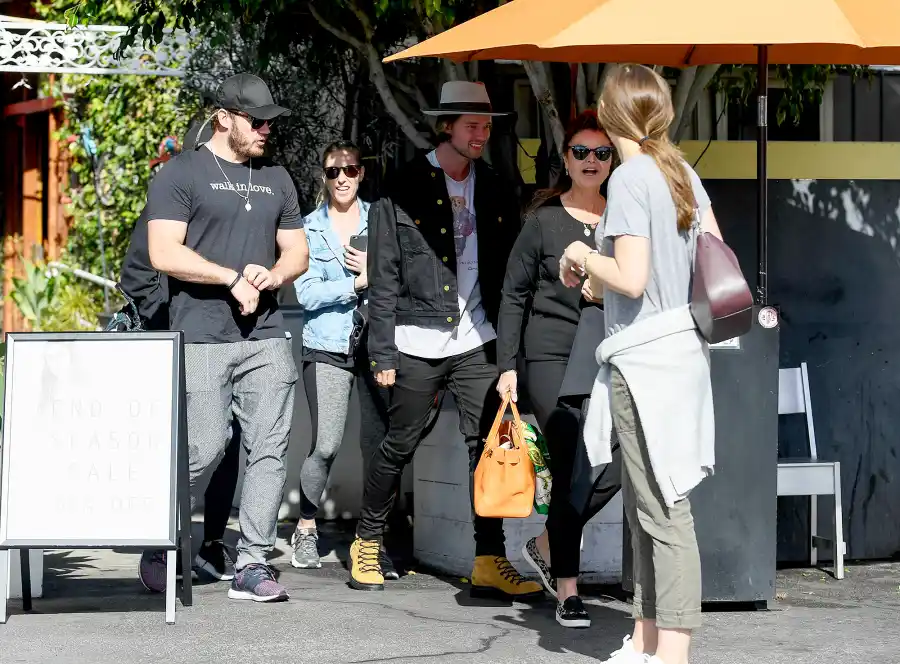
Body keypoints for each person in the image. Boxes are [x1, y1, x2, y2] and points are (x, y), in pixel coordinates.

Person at [349, 81, 542, 599]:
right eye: (472, 125)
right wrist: (382, 350)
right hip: (416, 336)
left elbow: (508, 275)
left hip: (477, 336)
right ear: (447, 127)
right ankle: (367, 539)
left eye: (486, 125)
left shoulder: (497, 186)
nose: (482, 134)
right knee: (400, 442)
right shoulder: (404, 184)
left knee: (489, 446)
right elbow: (384, 272)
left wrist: (509, 352)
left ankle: (488, 558)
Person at [560, 64, 721, 664]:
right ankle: (648, 640)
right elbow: (701, 266)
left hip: (645, 362)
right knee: (650, 505)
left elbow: (632, 276)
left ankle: (671, 652)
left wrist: (582, 252)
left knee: (661, 510)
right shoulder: (683, 174)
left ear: (609, 114)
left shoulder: (629, 179)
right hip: (682, 355)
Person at [139, 73, 309, 603]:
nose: (265, 130)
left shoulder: (277, 177)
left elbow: (297, 251)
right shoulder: (181, 173)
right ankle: (161, 540)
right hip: (202, 334)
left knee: (269, 448)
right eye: (256, 121)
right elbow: (163, 252)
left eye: (269, 122)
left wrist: (273, 276)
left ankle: (253, 563)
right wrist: (229, 277)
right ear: (224, 118)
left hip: (266, 335)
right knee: (206, 446)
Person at [496, 109, 614, 628]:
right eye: (581, 152)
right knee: (570, 469)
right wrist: (507, 366)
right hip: (549, 358)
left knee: (616, 467)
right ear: (566, 159)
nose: (591, 161)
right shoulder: (543, 221)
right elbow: (512, 296)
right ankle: (569, 589)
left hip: (609, 355)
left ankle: (545, 542)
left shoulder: (623, 220)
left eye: (601, 152)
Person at [290, 139, 401, 578]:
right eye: (334, 171)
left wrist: (377, 273)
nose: (342, 178)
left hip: (377, 343)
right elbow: (306, 293)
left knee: (379, 445)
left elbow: (401, 275)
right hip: (327, 343)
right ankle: (306, 526)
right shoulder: (308, 227)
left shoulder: (382, 220)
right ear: (323, 175)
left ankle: (372, 541)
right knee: (327, 443)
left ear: (361, 173)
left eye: (350, 170)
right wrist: (358, 284)